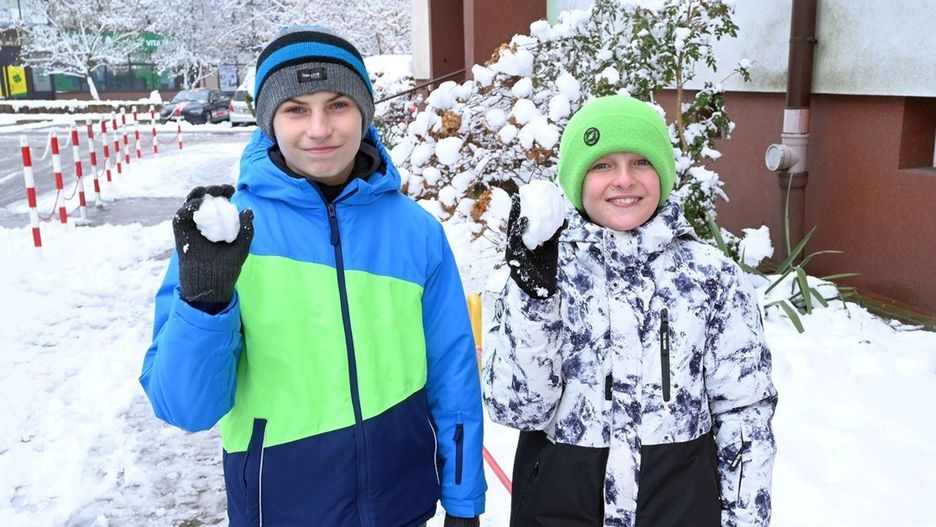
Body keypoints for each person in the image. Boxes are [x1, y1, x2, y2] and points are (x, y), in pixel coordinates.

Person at [140, 26, 486, 527]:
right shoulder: (227, 234)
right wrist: (205, 303)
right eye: (296, 109)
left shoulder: (416, 233)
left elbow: (453, 376)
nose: (319, 129)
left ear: (364, 113)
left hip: (403, 508)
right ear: (268, 122)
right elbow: (184, 408)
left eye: (338, 104)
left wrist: (463, 501)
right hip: (279, 508)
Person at [483, 95, 777, 527]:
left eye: (641, 162)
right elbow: (517, 410)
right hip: (558, 508)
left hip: (680, 509)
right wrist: (534, 300)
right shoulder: (545, 272)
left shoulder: (711, 277)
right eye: (602, 165)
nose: (624, 180)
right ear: (577, 178)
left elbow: (745, 414)